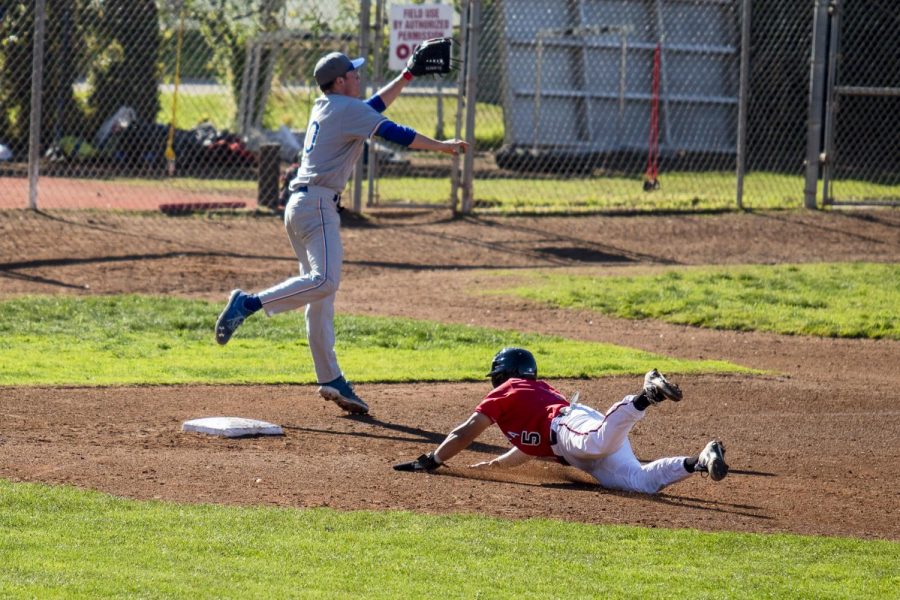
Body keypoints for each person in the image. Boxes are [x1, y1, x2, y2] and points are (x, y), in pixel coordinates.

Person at [215, 51, 468, 415]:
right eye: (353, 73)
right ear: (338, 81)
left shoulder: (330, 106)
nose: (358, 77)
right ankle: (248, 303)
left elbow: (372, 106)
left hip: (301, 207)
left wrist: (407, 76)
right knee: (325, 282)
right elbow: (397, 133)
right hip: (317, 208)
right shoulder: (348, 111)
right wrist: (443, 147)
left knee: (320, 299)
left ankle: (330, 378)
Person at [393, 347, 729, 494]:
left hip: (571, 426)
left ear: (503, 375)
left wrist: (432, 460)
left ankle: (645, 396)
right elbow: (528, 447)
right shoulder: (534, 394)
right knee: (639, 483)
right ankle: (698, 461)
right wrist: (494, 465)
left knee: (597, 440)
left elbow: (465, 432)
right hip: (578, 443)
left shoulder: (509, 389)